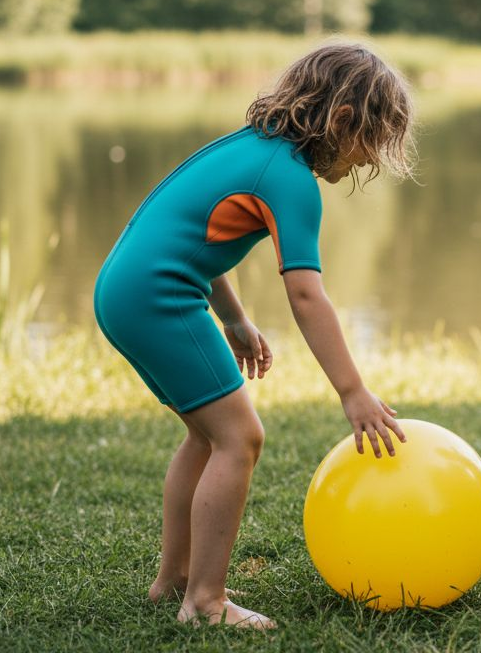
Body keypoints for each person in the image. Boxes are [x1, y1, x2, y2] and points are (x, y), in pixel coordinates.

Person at [94, 41, 415, 628]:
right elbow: (306, 294)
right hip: (157, 298)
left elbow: (195, 239)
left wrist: (234, 316)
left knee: (205, 435)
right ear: (342, 120)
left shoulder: (254, 150)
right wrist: (352, 391)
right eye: (369, 145)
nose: (365, 163)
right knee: (239, 439)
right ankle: (206, 602)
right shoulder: (291, 179)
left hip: (126, 291)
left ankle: (173, 585)